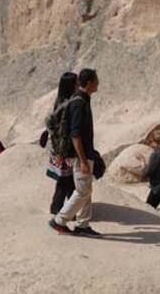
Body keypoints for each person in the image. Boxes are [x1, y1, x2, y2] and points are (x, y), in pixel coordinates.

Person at [49, 68, 101, 237]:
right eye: (96, 80)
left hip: (86, 154)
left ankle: (83, 225)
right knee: (81, 191)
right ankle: (59, 220)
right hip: (81, 156)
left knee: (86, 190)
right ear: (90, 82)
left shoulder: (83, 100)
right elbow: (75, 135)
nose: (98, 83)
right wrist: (83, 160)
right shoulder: (79, 103)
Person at [46, 72, 78, 214]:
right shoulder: (69, 104)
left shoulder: (60, 102)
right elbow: (64, 131)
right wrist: (62, 153)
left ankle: (58, 207)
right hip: (65, 150)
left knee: (64, 180)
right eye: (76, 83)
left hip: (60, 149)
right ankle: (66, 210)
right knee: (68, 181)